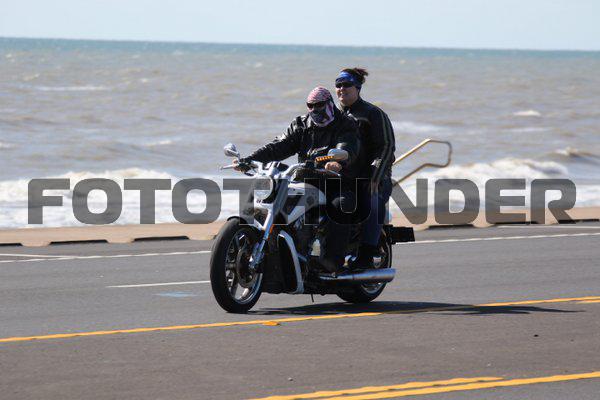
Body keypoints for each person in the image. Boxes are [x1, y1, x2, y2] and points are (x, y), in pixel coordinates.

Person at [236, 86, 361, 273]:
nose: (314, 109)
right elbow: (279, 146)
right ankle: (243, 239)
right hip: (306, 178)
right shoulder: (301, 124)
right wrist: (249, 160)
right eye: (310, 105)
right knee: (265, 191)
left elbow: (348, 145)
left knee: (340, 206)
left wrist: (338, 161)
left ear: (329, 104)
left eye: (319, 105)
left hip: (336, 181)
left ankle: (331, 262)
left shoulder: (345, 123)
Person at [335, 68, 395, 268]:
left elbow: (386, 147)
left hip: (372, 176)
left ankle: (368, 253)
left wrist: (375, 176)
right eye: (338, 85)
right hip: (345, 176)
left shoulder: (373, 113)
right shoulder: (334, 116)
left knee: (371, 200)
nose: (342, 89)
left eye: (346, 84)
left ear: (358, 88)